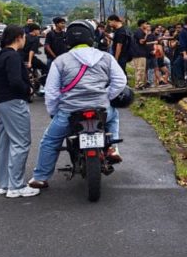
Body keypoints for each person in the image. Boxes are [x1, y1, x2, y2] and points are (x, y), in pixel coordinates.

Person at [29, 20, 127, 189]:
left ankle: (40, 178)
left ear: (67, 40)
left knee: (50, 141)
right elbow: (120, 81)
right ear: (91, 37)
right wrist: (106, 96)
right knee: (114, 116)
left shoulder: (61, 61)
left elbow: (51, 92)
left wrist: (53, 112)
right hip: (101, 109)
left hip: (69, 112)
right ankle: (112, 148)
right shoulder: (106, 57)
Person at [0, 25, 39, 198]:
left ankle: (4, 184)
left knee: (5, 143)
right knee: (21, 142)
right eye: (23, 37)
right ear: (18, 37)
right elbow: (16, 81)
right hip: (13, 102)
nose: (25, 40)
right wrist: (29, 90)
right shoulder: (13, 56)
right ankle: (16, 186)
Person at [131, 19, 151, 90]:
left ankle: (139, 84)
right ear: (142, 24)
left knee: (139, 69)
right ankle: (139, 84)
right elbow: (142, 41)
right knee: (140, 69)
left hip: (139, 53)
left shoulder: (138, 31)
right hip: (139, 53)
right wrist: (146, 34)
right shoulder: (139, 31)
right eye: (145, 24)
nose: (146, 25)